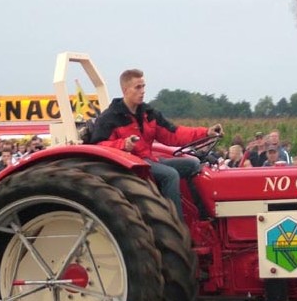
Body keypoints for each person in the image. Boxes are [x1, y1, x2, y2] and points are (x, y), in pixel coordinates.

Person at [89, 68, 222, 219]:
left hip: (149, 160)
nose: (142, 91)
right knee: (169, 175)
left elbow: (173, 134)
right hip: (131, 167)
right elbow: (98, 146)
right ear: (125, 90)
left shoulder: (148, 114)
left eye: (143, 86)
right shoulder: (109, 118)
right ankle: (176, 223)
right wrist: (122, 145)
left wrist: (206, 133)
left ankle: (203, 216)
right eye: (138, 87)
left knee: (193, 163)